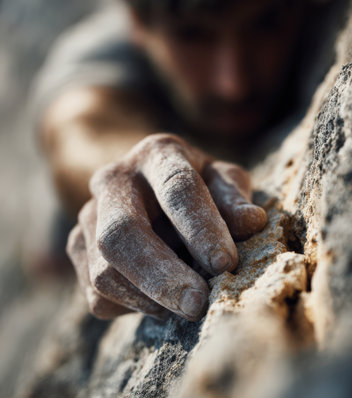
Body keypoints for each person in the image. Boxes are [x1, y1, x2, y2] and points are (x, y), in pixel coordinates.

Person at [35, 0, 311, 322]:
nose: (233, 84)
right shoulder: (98, 51)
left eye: (267, 22)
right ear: (137, 22)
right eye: (193, 36)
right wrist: (132, 171)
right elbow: (80, 127)